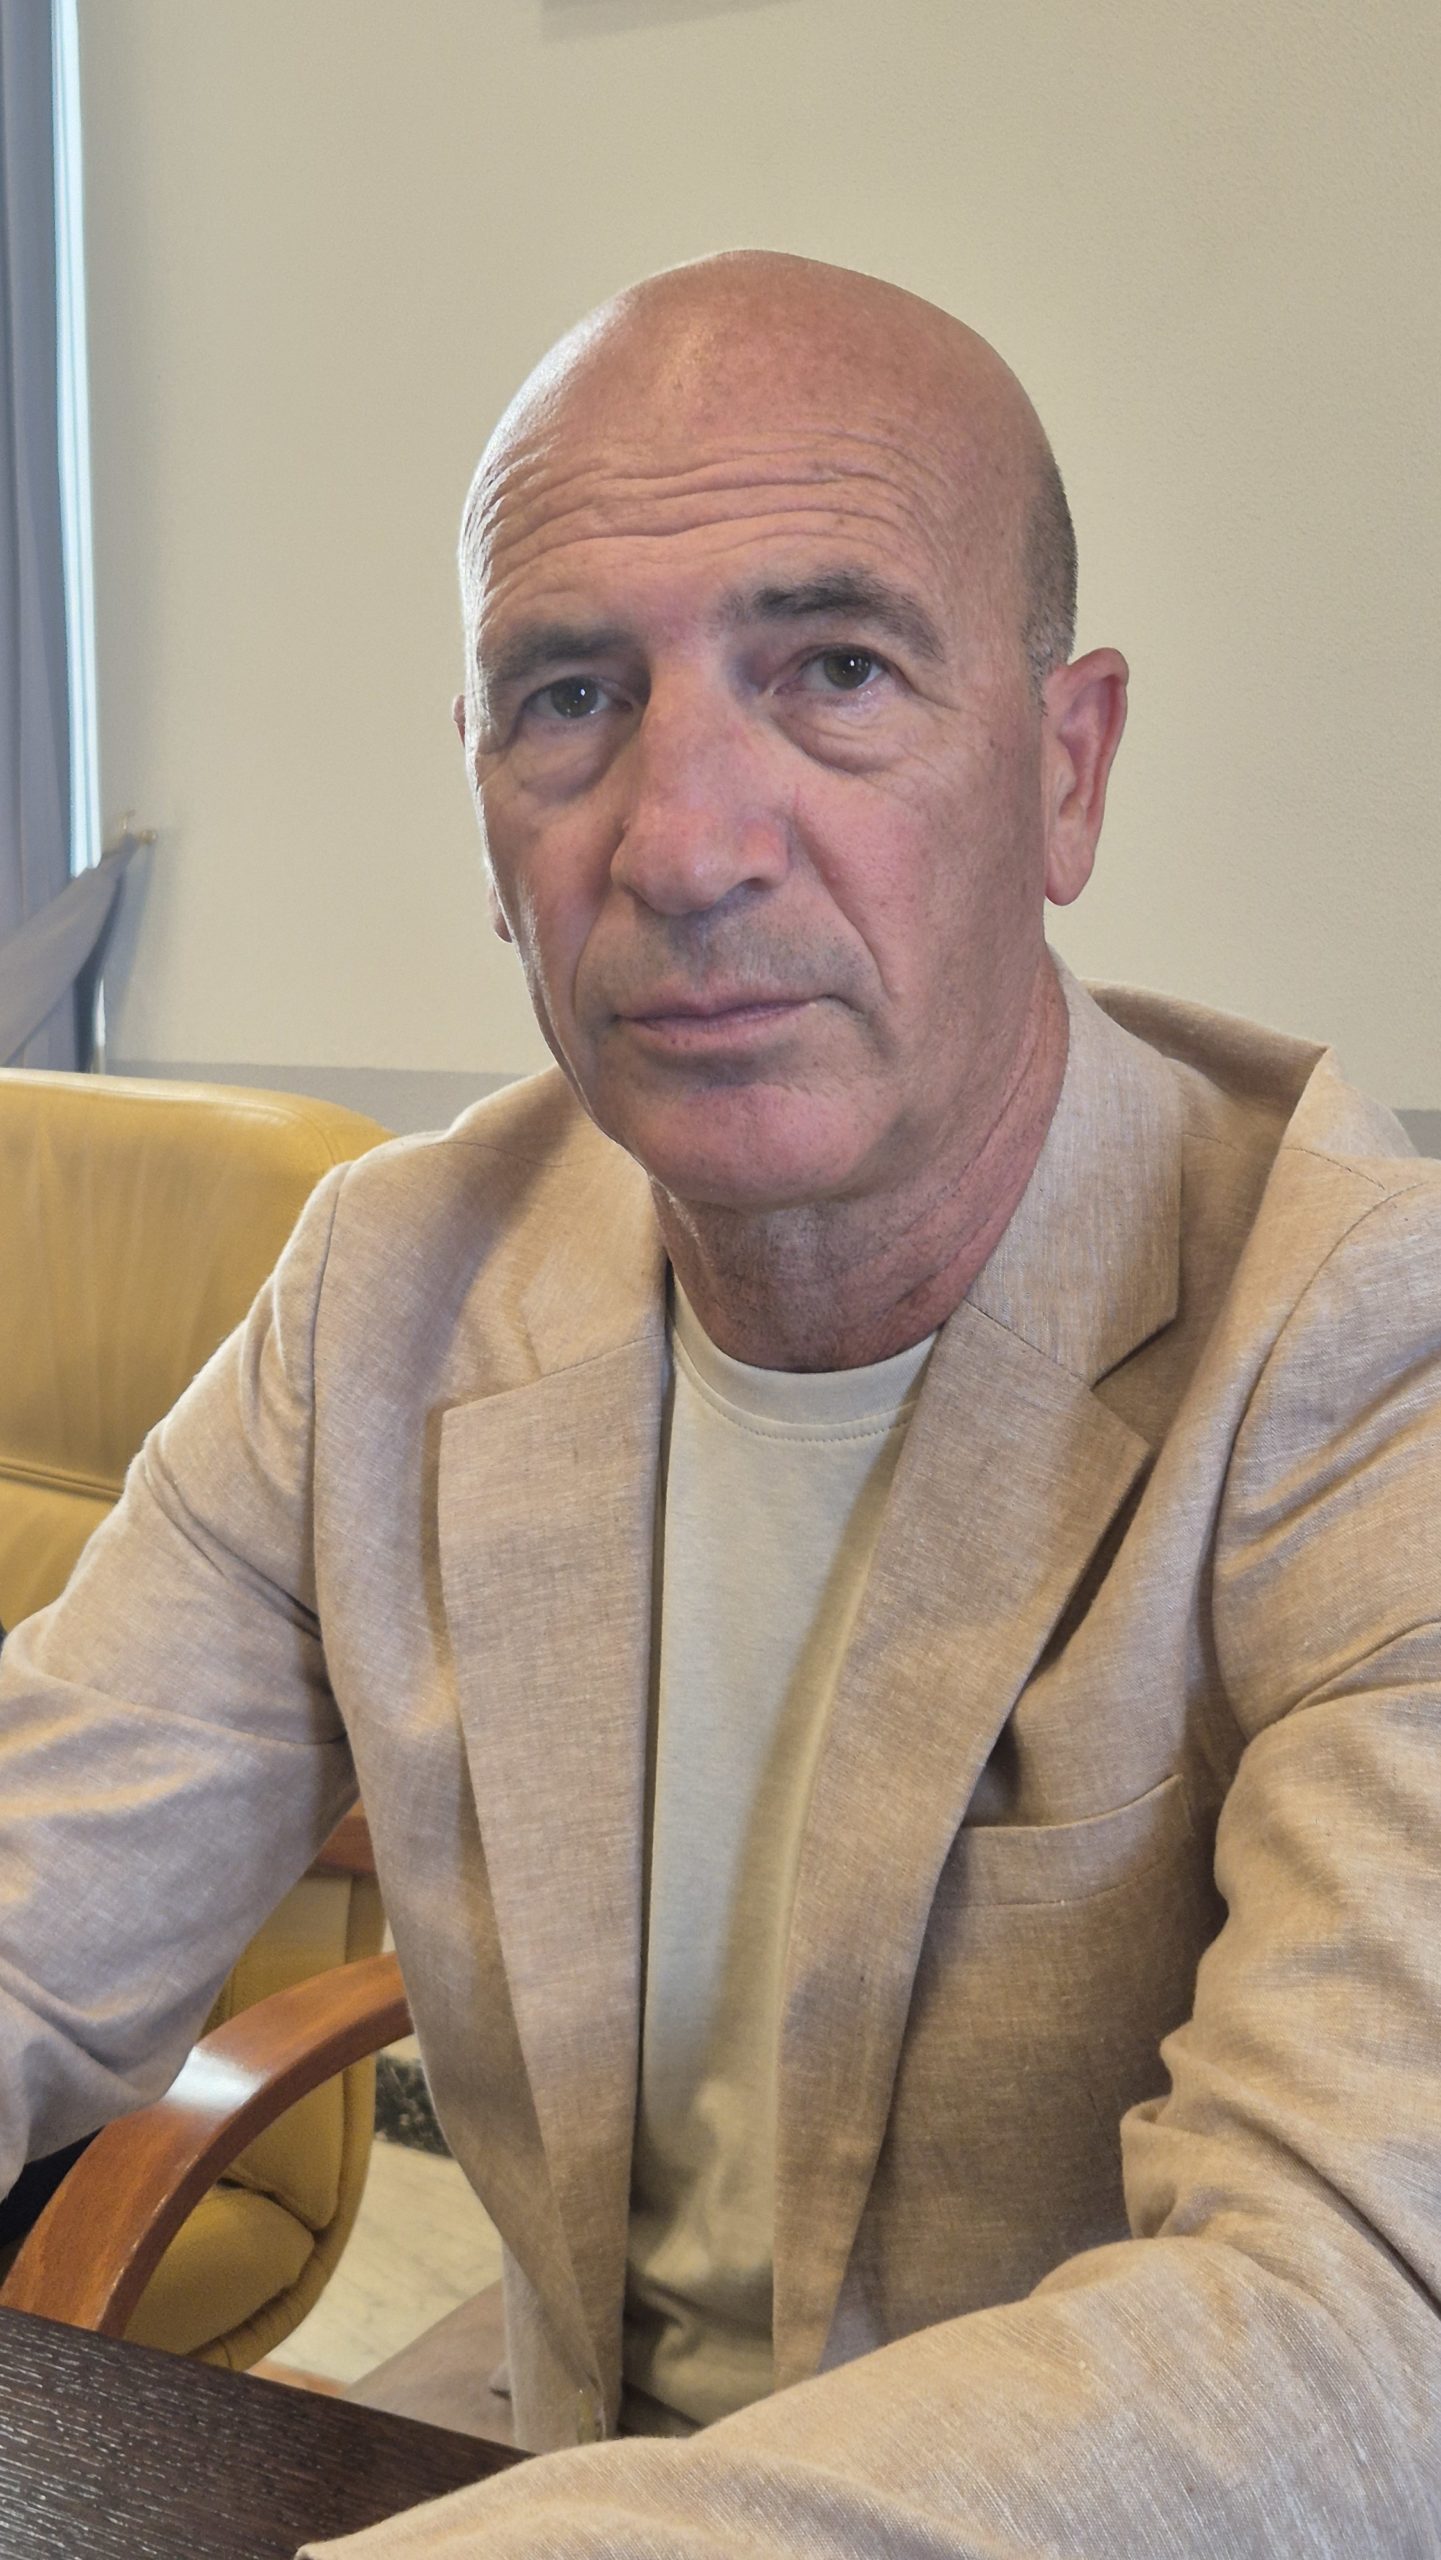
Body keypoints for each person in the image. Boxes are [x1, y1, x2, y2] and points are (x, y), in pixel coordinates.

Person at [2, 253, 1439, 2557]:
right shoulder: (395, 1287)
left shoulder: (1365, 1344)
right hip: (546, 2459)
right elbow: (25, 1897)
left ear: (1063, 769)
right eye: (569, 697)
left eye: (835, 669)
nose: (680, 842)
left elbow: (1352, 2319)